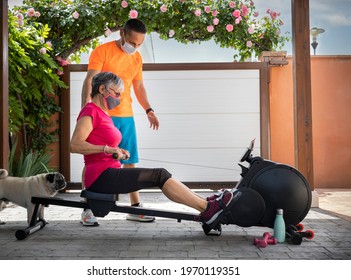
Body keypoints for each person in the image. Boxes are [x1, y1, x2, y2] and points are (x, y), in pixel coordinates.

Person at [70, 72, 234, 229]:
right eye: (117, 93)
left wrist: (118, 150)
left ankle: (208, 205)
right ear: (102, 89)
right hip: (100, 177)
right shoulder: (90, 111)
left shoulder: (103, 113)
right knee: (159, 175)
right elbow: (75, 145)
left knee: (161, 174)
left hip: (109, 172)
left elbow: (99, 142)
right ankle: (208, 209)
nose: (119, 98)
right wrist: (107, 149)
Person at [79, 18, 158, 225]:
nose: (135, 47)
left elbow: (139, 87)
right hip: (103, 114)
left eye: (139, 44)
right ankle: (87, 208)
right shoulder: (102, 51)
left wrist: (148, 109)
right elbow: (90, 80)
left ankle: (135, 208)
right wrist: (85, 109)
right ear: (122, 33)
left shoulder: (137, 58)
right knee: (94, 159)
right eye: (132, 42)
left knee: (130, 161)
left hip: (126, 115)